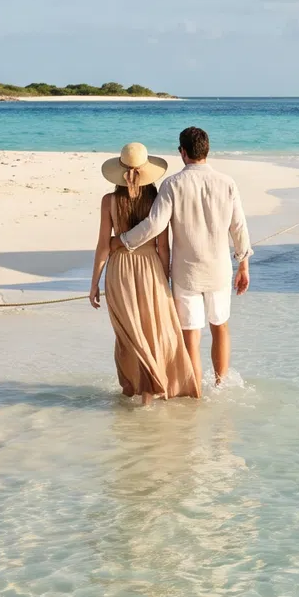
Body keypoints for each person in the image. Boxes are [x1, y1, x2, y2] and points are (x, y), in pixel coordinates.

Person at [119, 125, 251, 388]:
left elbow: (155, 225)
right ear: (207, 150)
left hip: (186, 272)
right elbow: (239, 226)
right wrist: (243, 265)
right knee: (220, 327)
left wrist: (122, 241)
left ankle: (195, 393)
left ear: (182, 152)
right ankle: (220, 385)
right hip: (219, 270)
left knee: (191, 336)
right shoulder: (227, 183)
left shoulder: (172, 184)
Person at [88, 143, 201, 404]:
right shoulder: (157, 199)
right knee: (152, 333)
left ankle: (132, 391)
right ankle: (151, 391)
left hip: (119, 271)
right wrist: (165, 280)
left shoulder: (109, 201)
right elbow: (163, 246)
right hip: (150, 269)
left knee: (127, 336)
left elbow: (103, 246)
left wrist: (94, 283)